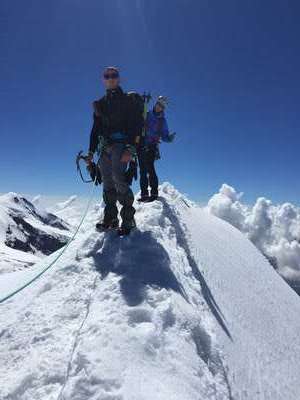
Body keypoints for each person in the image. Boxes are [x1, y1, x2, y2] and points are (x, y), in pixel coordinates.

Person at [87, 67, 142, 235]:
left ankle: (128, 220)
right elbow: (95, 130)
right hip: (104, 147)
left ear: (118, 79)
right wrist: (90, 152)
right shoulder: (100, 104)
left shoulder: (127, 100)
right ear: (103, 80)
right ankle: (110, 218)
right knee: (107, 181)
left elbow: (136, 125)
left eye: (114, 75)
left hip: (121, 146)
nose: (110, 78)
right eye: (107, 76)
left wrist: (131, 148)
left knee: (119, 179)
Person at [138, 96, 175, 202]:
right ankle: (144, 194)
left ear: (163, 109)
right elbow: (139, 121)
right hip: (141, 144)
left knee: (150, 167)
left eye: (162, 106)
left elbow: (164, 135)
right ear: (156, 104)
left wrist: (168, 138)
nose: (159, 107)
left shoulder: (162, 121)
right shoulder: (147, 114)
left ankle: (154, 193)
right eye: (159, 104)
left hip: (152, 145)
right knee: (142, 170)